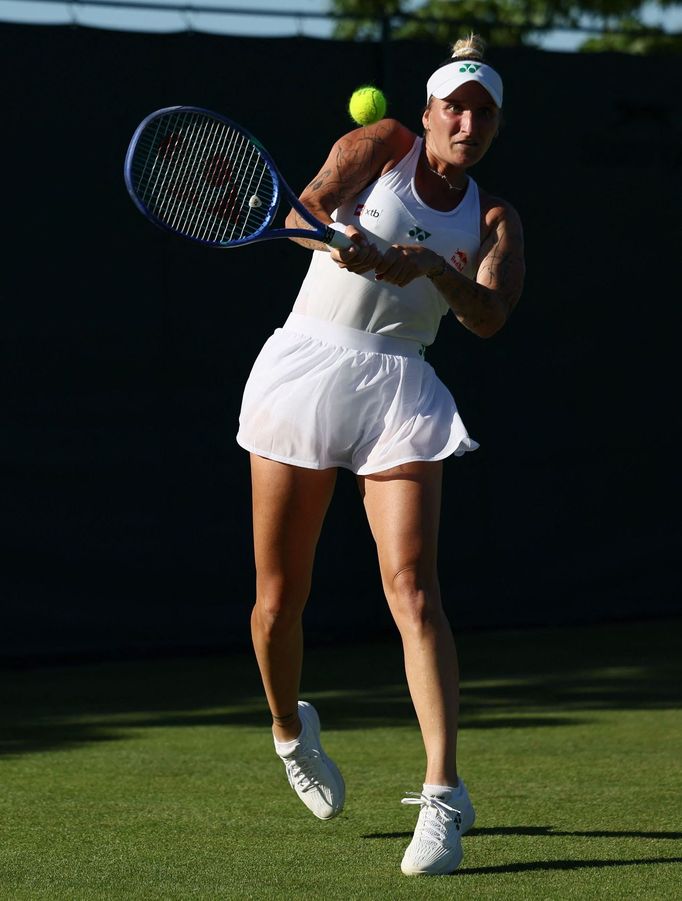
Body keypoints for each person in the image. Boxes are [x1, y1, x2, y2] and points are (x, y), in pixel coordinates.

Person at [236, 33, 525, 876]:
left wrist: (430, 266)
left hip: (401, 387)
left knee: (414, 589)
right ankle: (290, 731)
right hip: (307, 365)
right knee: (277, 600)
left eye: (484, 114)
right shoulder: (381, 145)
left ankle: (444, 794)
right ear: (429, 114)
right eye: (455, 109)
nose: (468, 124)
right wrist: (344, 241)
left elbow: (489, 317)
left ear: (495, 127)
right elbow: (298, 211)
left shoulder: (495, 218)